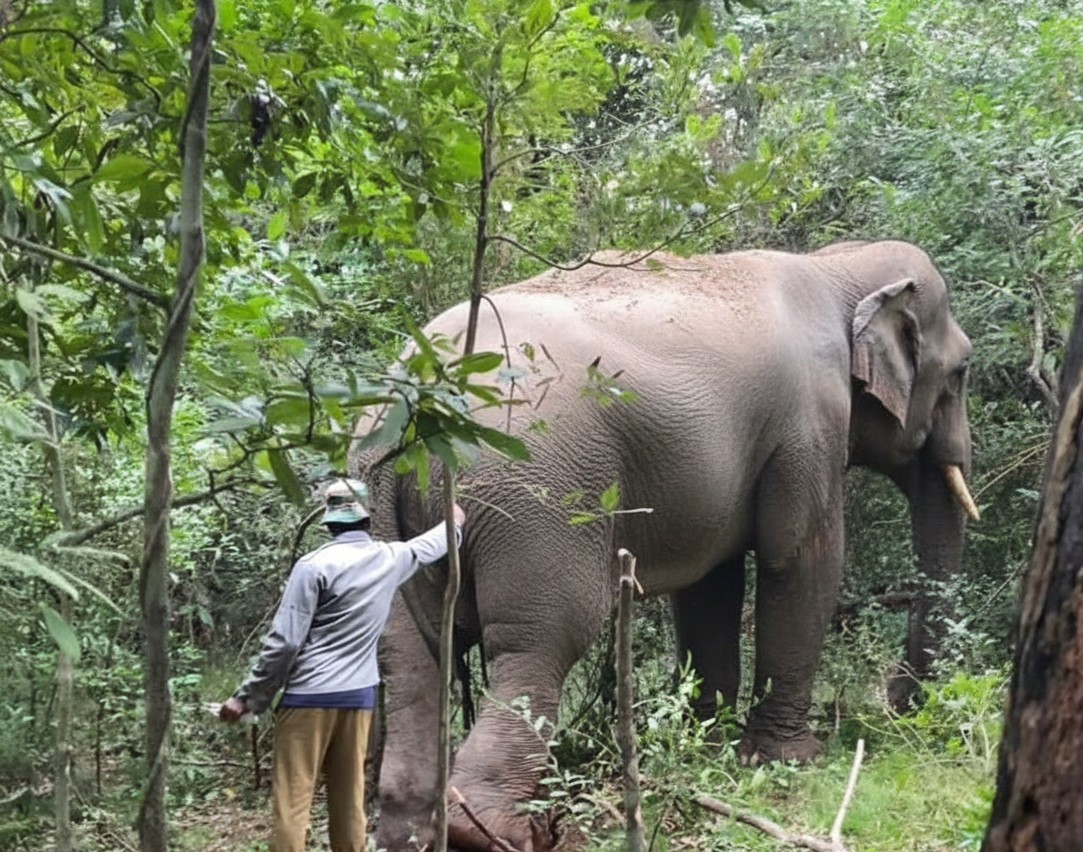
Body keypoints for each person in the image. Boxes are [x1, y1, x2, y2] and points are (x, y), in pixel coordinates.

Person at [219, 477, 465, 852]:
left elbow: (285, 642)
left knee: (292, 803)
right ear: (367, 519)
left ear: (330, 521)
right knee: (349, 802)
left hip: (308, 699)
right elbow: (434, 543)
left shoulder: (312, 566)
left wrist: (248, 699)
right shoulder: (391, 559)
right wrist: (455, 521)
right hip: (358, 699)